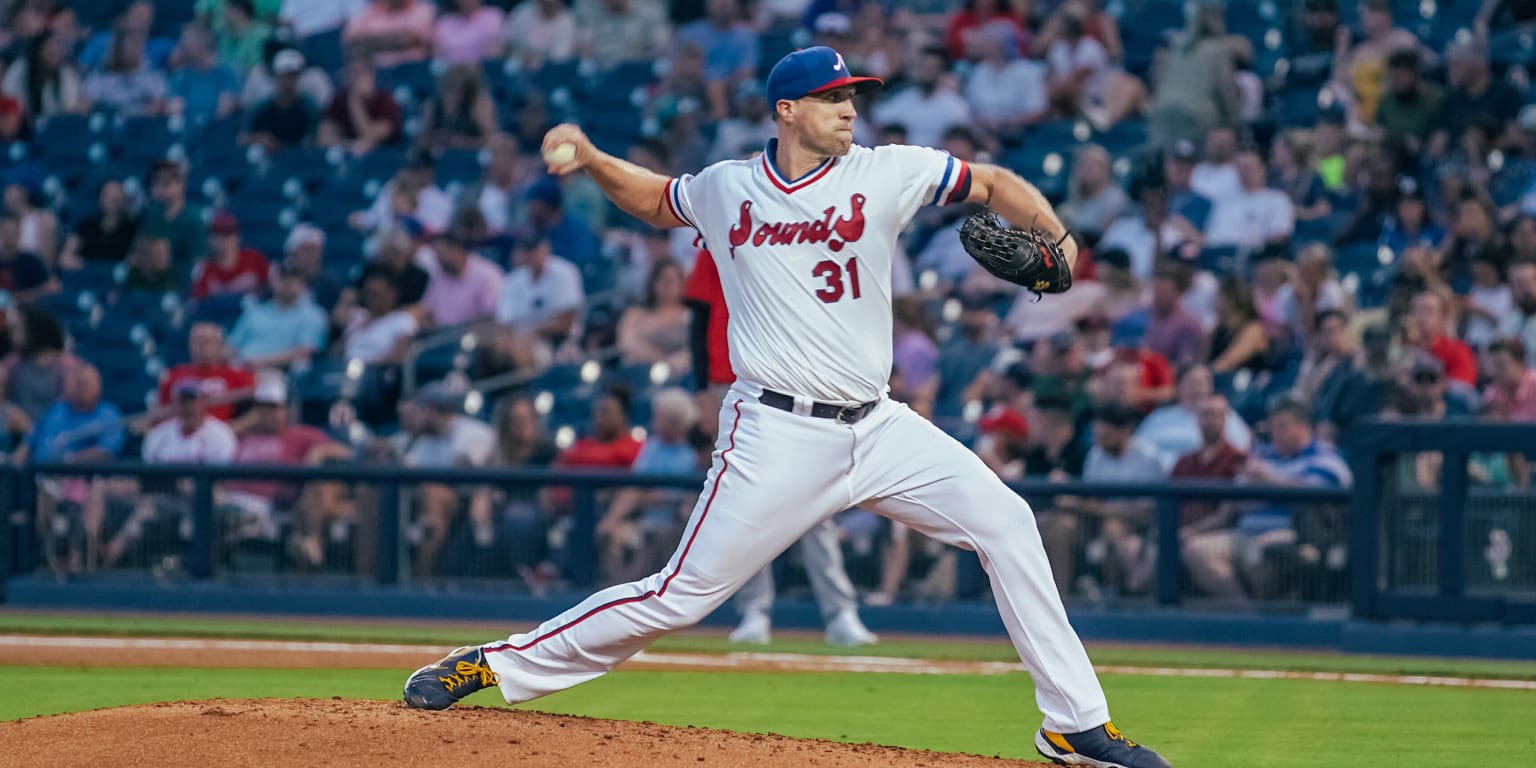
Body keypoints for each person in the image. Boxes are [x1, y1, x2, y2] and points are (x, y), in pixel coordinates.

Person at [403, 45, 1171, 768]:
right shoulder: (728, 185)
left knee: (1009, 523)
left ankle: (1073, 724)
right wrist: (596, 160)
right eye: (832, 98)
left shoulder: (887, 171)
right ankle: (492, 662)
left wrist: (1060, 244)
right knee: (680, 597)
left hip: (880, 425)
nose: (849, 109)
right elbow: (656, 201)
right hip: (775, 431)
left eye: (853, 96)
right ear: (787, 110)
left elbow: (995, 181)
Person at [106, 379, 238, 566]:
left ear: (203, 403)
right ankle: (98, 555)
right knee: (114, 491)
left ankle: (199, 565)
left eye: (193, 400)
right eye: (184, 402)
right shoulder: (159, 435)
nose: (189, 407)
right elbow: (148, 478)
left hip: (205, 501)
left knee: (200, 496)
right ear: (175, 405)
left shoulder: (220, 434)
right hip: (163, 498)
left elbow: (219, 482)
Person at [226, 376, 351, 557]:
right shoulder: (244, 436)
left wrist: (318, 452)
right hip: (233, 498)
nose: (267, 413)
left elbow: (343, 451)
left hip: (270, 505)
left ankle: (309, 546)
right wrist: (247, 422)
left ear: (286, 410)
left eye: (273, 407)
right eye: (262, 407)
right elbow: (216, 434)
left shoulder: (297, 435)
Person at [400, 381, 497, 576]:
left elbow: (469, 470)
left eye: (422, 409)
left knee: (434, 496)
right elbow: (407, 468)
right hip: (426, 500)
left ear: (434, 410)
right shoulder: (427, 439)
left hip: (472, 500)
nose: (417, 415)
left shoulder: (474, 432)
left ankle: (423, 577)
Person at [1168, 393, 1248, 601]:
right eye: (1205, 414)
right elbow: (1167, 507)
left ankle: (1246, 615)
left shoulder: (1238, 459)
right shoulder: (1183, 462)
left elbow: (1226, 514)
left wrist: (1191, 532)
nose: (1210, 420)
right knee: (1141, 552)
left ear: (1225, 419)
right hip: (1179, 534)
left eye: (1216, 415)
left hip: (1219, 535)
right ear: (1197, 419)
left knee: (1193, 549)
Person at [1134, 364, 1252, 459]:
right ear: (1178, 387)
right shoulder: (1158, 418)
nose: (1198, 389)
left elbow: (1241, 446)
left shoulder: (1223, 415)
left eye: (1203, 383)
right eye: (1192, 383)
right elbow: (1136, 450)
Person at [227, 262, 328, 370]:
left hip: (277, 372)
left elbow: (304, 352)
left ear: (302, 284)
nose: (288, 283)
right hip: (239, 370)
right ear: (272, 282)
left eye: (293, 278)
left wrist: (260, 362)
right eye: (283, 278)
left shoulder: (314, 314)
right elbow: (232, 346)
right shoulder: (254, 312)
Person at [1203, 144, 1295, 250]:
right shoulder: (1224, 199)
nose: (1243, 173)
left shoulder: (1278, 200)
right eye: (1239, 168)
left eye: (1247, 168)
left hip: (1251, 257)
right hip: (1214, 254)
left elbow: (1279, 235)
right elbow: (1209, 235)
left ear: (1261, 169)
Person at [158, 323, 256, 421]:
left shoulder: (239, 375)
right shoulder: (174, 376)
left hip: (226, 430)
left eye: (207, 342)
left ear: (220, 345)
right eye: (197, 342)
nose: (202, 347)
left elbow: (256, 412)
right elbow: (161, 413)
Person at [1, 305, 76, 423]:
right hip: (15, 426)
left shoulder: (67, 365)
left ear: (34, 330)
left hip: (54, 431)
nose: (12, 332)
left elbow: (69, 409)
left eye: (18, 328)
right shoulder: (12, 361)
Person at [318, 55, 402, 154]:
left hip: (384, 159)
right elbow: (323, 139)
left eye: (358, 74)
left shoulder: (386, 100)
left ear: (371, 75)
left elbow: (370, 136)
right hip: (350, 157)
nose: (353, 79)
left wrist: (355, 102)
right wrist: (349, 145)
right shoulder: (339, 100)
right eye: (350, 73)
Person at [420, 229, 503, 328]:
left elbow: (491, 317)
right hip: (439, 336)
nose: (437, 259)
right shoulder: (438, 274)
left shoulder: (487, 275)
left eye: (440, 253)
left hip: (473, 336)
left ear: (457, 251)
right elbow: (428, 312)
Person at [617, 259, 690, 371]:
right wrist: (660, 361)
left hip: (680, 373)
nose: (667, 285)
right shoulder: (635, 314)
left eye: (671, 281)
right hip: (643, 371)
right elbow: (627, 343)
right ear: (653, 283)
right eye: (662, 279)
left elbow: (695, 347)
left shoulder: (690, 315)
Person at [243, 49, 318, 152]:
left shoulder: (308, 106)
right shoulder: (263, 107)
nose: (289, 80)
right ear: (276, 76)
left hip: (300, 161)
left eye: (293, 75)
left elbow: (314, 140)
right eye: (285, 75)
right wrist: (259, 139)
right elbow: (243, 138)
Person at [167, 22, 240, 127]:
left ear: (203, 43)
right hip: (186, 133)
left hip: (215, 132)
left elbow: (224, 109)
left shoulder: (225, 74)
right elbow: (174, 108)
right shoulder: (181, 76)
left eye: (187, 40)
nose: (182, 45)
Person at [140, 161, 207, 274]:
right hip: (152, 279)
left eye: (166, 182)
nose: (160, 187)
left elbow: (198, 263)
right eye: (157, 181)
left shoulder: (194, 218)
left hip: (182, 280)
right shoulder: (150, 215)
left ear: (181, 184)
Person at [2, 29, 85, 119]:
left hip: (57, 125)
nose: (54, 51)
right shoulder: (21, 68)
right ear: (38, 49)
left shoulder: (65, 73)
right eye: (49, 46)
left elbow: (70, 104)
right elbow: (9, 95)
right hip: (25, 124)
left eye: (56, 46)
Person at [341, 273, 419, 364]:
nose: (371, 299)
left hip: (377, 374)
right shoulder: (359, 318)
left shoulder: (402, 320)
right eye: (368, 293)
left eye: (376, 294)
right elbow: (339, 350)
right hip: (343, 372)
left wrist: (366, 366)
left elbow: (399, 357)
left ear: (391, 294)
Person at [418, 63, 498, 150]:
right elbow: (422, 141)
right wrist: (439, 139)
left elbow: (492, 141)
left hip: (471, 156)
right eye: (451, 88)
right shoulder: (432, 106)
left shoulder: (480, 105)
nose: (457, 94)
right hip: (439, 156)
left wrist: (465, 142)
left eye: (462, 90)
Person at [191, 212, 270, 299]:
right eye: (218, 235)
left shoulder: (254, 259)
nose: (224, 240)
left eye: (229, 234)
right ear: (210, 240)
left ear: (238, 237)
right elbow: (199, 304)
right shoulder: (204, 269)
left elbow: (271, 289)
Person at [1408, 290, 1477, 387]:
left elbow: (1462, 388)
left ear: (1441, 317)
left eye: (1430, 310)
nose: (1423, 316)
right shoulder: (1402, 347)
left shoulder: (1458, 350)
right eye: (1418, 310)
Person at [343, 0, 436, 68]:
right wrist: (397, 39)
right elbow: (352, 40)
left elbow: (413, 38)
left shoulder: (424, 8)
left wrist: (370, 42)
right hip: (377, 74)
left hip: (414, 70)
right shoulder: (367, 11)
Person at [1207, 275, 1269, 375]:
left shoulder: (1254, 329)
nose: (1213, 300)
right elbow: (1202, 360)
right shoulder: (1218, 330)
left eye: (1218, 295)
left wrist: (1201, 376)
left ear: (1229, 299)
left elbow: (1226, 363)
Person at [502, 0, 576, 67]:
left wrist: (535, 58)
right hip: (517, 66)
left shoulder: (567, 21)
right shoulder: (523, 12)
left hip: (548, 73)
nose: (549, 5)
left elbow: (559, 58)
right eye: (546, 2)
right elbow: (507, 41)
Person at [0, 212, 55, 302]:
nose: (9, 235)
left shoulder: (30, 260)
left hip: (24, 309)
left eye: (12, 231)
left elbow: (51, 286)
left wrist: (20, 297)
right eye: (6, 231)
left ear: (19, 233)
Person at [433, 0, 505, 64]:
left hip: (483, 75)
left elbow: (493, 55)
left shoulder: (493, 17)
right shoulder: (444, 23)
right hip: (452, 75)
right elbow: (438, 60)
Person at [1483, 338, 1536, 421]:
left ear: (1520, 364)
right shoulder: (1493, 393)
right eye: (1492, 366)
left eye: (1500, 365)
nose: (1494, 372)